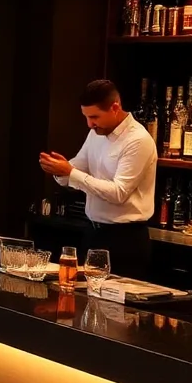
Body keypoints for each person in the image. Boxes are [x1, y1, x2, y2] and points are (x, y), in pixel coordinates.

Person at [40, 79, 158, 278]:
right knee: (86, 302)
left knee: (117, 307)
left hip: (125, 240)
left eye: (94, 116)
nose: (89, 124)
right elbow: (79, 164)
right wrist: (59, 170)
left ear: (115, 107)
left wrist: (70, 173)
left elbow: (119, 193)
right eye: (86, 117)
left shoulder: (138, 140)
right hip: (93, 233)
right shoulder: (96, 133)